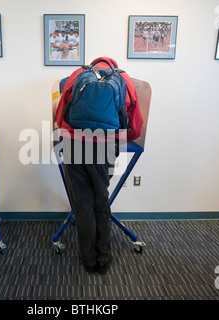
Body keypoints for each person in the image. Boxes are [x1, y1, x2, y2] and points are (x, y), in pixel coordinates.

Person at [56, 57, 143, 274]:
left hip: (75, 145)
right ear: (112, 64)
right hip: (105, 148)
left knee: (82, 205)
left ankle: (89, 260)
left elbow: (61, 118)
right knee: (100, 200)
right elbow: (135, 125)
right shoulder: (124, 78)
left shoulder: (76, 75)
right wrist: (116, 137)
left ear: (93, 64)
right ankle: (103, 257)